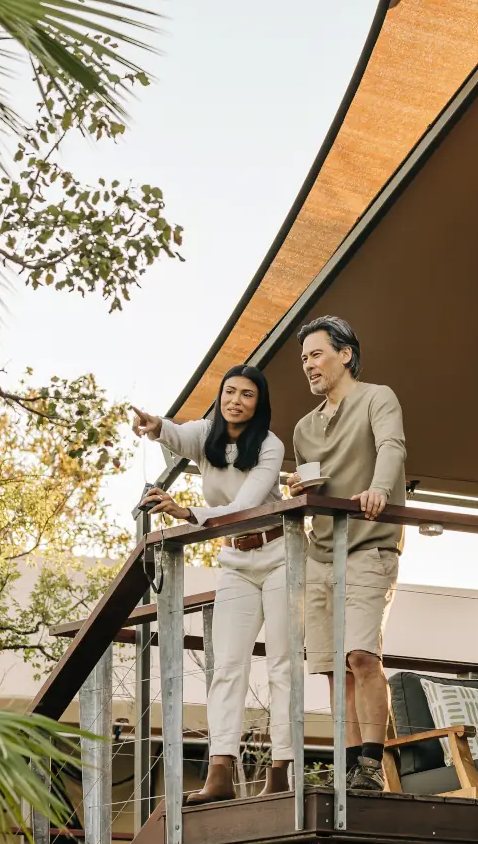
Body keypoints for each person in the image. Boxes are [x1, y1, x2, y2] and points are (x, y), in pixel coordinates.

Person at [130, 365, 292, 803]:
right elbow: (176, 435)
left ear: (260, 404)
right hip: (236, 561)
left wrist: (188, 514)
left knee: (281, 666)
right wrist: (155, 426)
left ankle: (281, 770)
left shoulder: (270, 446)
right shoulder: (206, 434)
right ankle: (220, 773)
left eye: (247, 394)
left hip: (281, 556)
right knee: (227, 666)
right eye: (229, 392)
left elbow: (245, 506)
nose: (235, 401)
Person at [289, 314, 405, 792]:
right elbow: (315, 482)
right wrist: (300, 489)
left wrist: (379, 489)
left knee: (361, 656)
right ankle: (350, 766)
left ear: (345, 354)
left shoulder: (378, 398)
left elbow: (392, 447)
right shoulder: (303, 428)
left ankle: (372, 766)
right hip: (320, 556)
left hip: (369, 548)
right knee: (336, 668)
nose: (308, 365)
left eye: (316, 354)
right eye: (304, 359)